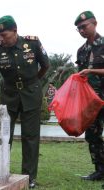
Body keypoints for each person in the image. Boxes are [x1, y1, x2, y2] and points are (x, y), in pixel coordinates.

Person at [0, 15, 49, 188]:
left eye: (4, 35)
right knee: (3, 135)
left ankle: (29, 177)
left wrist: (33, 82)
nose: (1, 38)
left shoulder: (32, 44)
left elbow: (45, 65)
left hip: (31, 95)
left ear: (15, 31)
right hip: (9, 95)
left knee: (30, 137)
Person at [75, 11, 104, 181]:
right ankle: (100, 170)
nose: (81, 31)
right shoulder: (82, 51)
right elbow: (80, 76)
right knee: (92, 136)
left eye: (84, 27)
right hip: (91, 101)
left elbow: (90, 72)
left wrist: (92, 70)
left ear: (95, 23)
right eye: (78, 29)